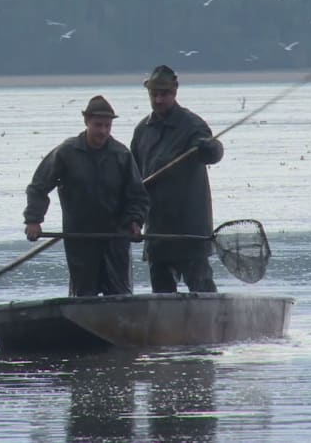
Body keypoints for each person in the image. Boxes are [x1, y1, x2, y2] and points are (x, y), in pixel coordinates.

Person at [24, 95, 150, 297]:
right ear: (86, 122)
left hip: (116, 236)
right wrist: (33, 220)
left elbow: (138, 195)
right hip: (79, 237)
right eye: (98, 125)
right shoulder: (66, 152)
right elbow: (39, 187)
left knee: (119, 293)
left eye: (107, 126)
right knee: (83, 294)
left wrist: (135, 221)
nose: (103, 131)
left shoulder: (122, 155)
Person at [130, 65, 224, 293]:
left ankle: (210, 325)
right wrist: (133, 219)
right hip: (157, 230)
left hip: (190, 229)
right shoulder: (143, 130)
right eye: (154, 95)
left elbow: (214, 154)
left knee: (201, 287)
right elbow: (132, 181)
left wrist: (210, 147)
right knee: (162, 293)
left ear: (174, 93)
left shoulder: (193, 126)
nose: (159, 100)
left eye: (164, 94)